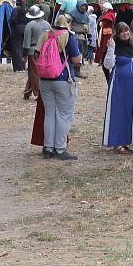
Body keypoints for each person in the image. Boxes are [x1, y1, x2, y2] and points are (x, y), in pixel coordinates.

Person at [36, 14, 82, 160]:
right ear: (68, 23)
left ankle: (48, 148)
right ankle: (60, 149)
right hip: (63, 79)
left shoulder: (46, 34)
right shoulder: (68, 36)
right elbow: (76, 60)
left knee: (50, 114)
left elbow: (36, 54)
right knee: (64, 115)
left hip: (44, 79)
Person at [102, 22, 133, 154]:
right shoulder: (114, 46)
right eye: (122, 32)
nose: (125, 33)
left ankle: (128, 141)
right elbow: (108, 65)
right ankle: (118, 143)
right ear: (118, 34)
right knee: (119, 112)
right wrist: (110, 49)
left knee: (131, 111)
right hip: (119, 84)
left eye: (127, 31)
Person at [22, 4, 50, 100]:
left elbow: (26, 42)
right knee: (35, 73)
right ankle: (27, 91)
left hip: (33, 52)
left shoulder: (30, 25)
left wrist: (24, 54)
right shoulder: (47, 24)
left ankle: (39, 93)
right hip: (45, 51)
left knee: (34, 73)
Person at [96, 2, 116, 83]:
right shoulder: (109, 14)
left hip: (107, 40)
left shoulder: (108, 15)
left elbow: (107, 29)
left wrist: (104, 45)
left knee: (106, 63)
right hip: (106, 38)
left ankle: (109, 79)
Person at [9, 0, 29, 71]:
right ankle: (23, 66)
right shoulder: (27, 9)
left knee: (16, 49)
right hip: (26, 29)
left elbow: (13, 20)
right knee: (23, 48)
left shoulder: (16, 9)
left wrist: (14, 24)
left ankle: (18, 67)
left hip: (17, 30)